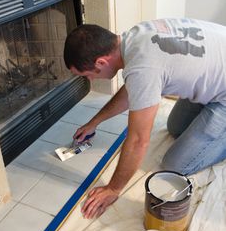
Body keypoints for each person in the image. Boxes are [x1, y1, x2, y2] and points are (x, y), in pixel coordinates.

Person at [63, 18, 226, 219]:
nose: (90, 79)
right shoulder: (135, 37)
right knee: (175, 127)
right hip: (217, 78)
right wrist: (94, 122)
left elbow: (139, 140)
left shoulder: (143, 67)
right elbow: (133, 89)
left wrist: (113, 188)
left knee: (176, 166)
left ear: (101, 62)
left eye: (86, 74)